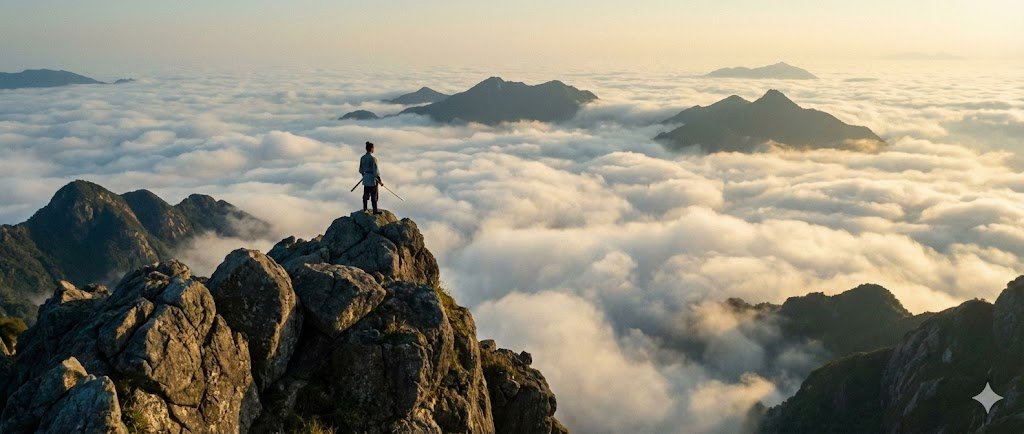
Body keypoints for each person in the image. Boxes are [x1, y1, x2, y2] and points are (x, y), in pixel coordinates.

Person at [359, 141, 383, 214]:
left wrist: (364, 176)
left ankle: (365, 209)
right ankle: (375, 211)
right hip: (372, 179)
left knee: (365, 194)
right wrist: (379, 180)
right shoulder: (373, 159)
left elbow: (361, 169)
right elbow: (375, 171)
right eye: (373, 148)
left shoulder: (362, 158)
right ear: (371, 149)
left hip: (366, 178)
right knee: (374, 195)